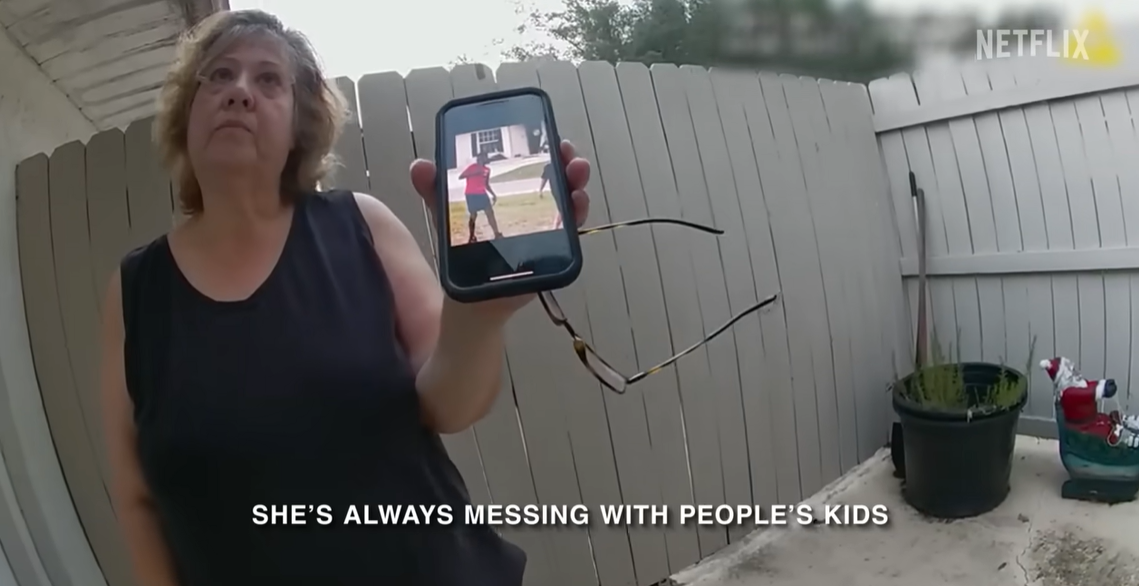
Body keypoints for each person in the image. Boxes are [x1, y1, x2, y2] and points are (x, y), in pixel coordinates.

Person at [97, 9, 591, 586]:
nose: (239, 91)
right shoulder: (135, 289)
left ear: (298, 127)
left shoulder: (361, 224)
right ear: (187, 113)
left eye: (268, 80)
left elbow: (449, 406)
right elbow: (137, 498)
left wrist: (478, 317)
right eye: (219, 75)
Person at [458, 150, 502, 242]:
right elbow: (461, 176)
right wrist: (475, 172)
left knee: (490, 213)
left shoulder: (487, 170)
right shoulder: (472, 167)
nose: (479, 159)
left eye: (482, 158)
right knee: (473, 215)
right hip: (471, 194)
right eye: (479, 158)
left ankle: (496, 233)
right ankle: (472, 236)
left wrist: (493, 194)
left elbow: (486, 184)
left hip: (482, 193)